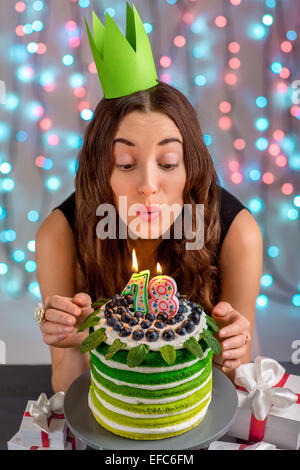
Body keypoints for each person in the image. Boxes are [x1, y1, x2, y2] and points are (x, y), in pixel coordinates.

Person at [35, 81, 263, 393]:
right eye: (126, 164)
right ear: (100, 170)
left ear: (190, 168)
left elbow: (233, 388)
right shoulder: (59, 235)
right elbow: (66, 387)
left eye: (168, 163)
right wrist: (72, 341)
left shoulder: (238, 232)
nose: (148, 185)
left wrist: (230, 352)